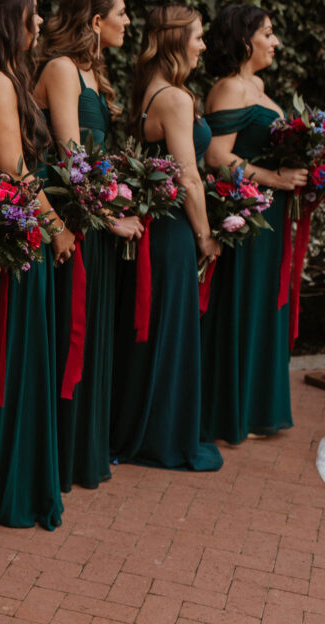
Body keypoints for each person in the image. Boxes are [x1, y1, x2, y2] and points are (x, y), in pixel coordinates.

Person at [0, 0, 63, 530]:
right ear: (9, 20)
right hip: (19, 239)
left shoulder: (1, 77)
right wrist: (56, 227)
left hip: (23, 234)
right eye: (33, 12)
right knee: (15, 361)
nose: (41, 22)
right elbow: (13, 169)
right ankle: (8, 488)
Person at [34, 0, 143, 491]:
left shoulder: (93, 74)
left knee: (93, 335)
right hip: (69, 225)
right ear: (96, 21)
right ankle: (57, 457)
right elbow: (70, 157)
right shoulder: (60, 69)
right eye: (121, 11)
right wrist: (110, 216)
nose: (128, 21)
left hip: (92, 223)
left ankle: (83, 452)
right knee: (69, 336)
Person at [111, 5, 222, 471]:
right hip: (173, 231)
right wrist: (205, 236)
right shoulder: (175, 100)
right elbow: (190, 177)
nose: (203, 45)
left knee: (153, 331)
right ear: (177, 40)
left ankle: (146, 426)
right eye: (197, 37)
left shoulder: (147, 92)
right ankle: (161, 436)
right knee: (169, 331)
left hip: (154, 231)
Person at [201, 5, 303, 444]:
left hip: (271, 216)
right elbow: (216, 156)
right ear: (244, 40)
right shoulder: (227, 89)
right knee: (242, 305)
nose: (275, 41)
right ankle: (230, 411)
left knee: (266, 306)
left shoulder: (257, 85)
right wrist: (275, 178)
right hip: (247, 217)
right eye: (268, 32)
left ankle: (256, 404)